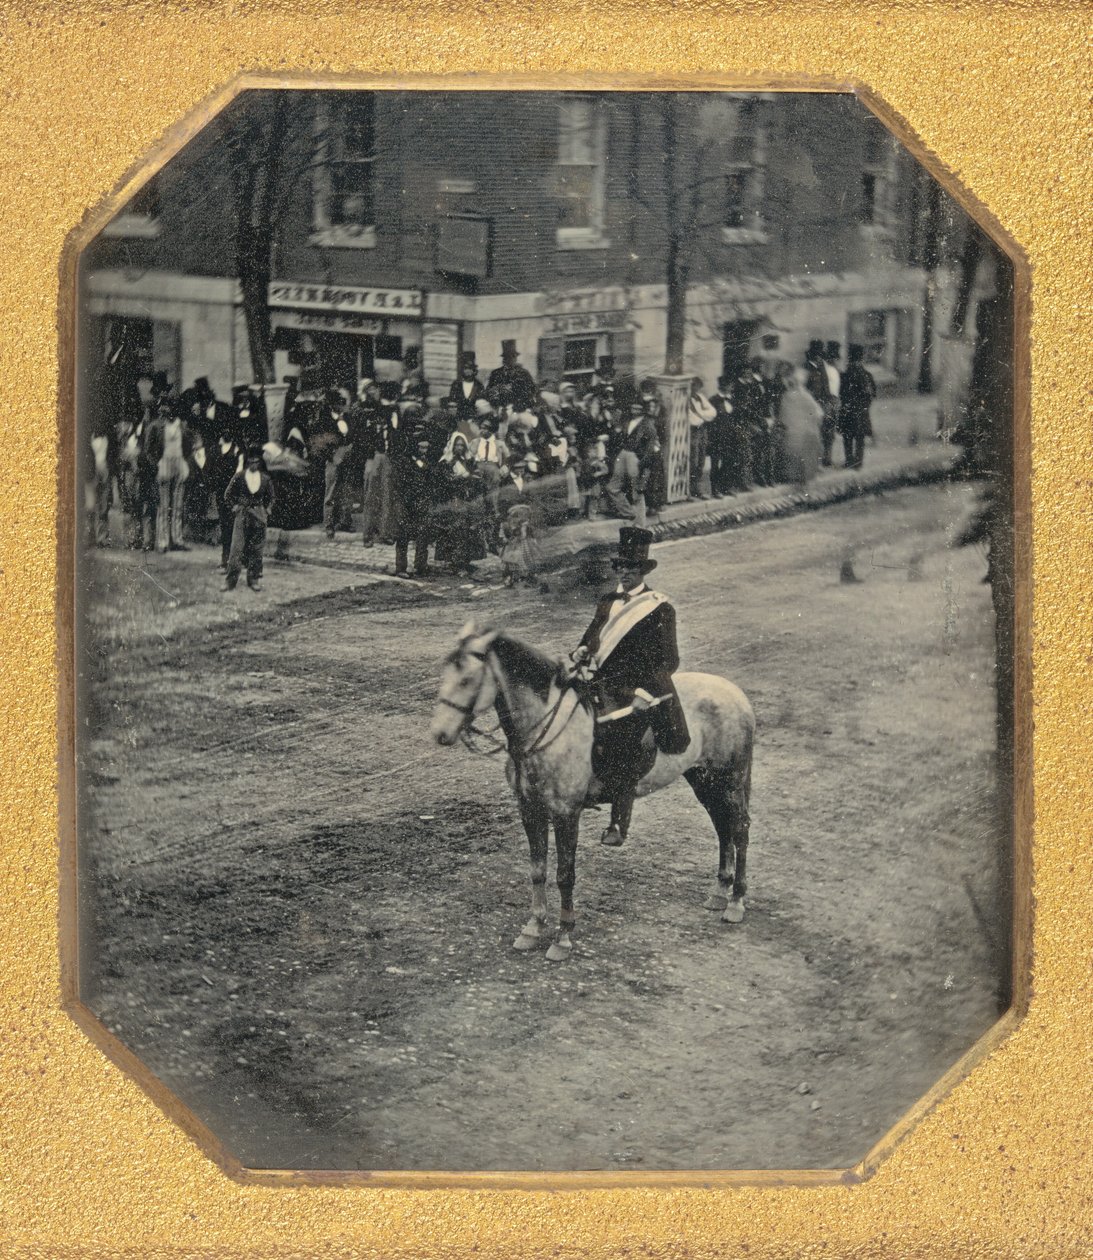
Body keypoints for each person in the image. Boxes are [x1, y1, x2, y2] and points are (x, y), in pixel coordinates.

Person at [569, 527, 690, 847]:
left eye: (631, 568)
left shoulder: (660, 607)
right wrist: (581, 651)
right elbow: (591, 638)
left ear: (642, 571)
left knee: (623, 744)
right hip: (599, 682)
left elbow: (668, 660)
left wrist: (644, 695)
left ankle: (617, 823)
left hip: (636, 690)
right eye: (620, 567)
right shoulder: (608, 601)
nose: (623, 573)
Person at [222, 445, 275, 592]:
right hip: (242, 515)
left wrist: (267, 509)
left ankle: (253, 579)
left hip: (258, 516)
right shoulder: (239, 476)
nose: (253, 464)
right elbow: (228, 495)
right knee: (236, 549)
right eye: (250, 461)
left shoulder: (265, 479)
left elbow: (271, 498)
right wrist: (234, 506)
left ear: (259, 463)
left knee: (257, 550)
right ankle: (230, 581)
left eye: (256, 462)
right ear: (247, 462)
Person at [604, 401, 659, 524]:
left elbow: (650, 449)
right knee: (612, 487)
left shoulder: (648, 425)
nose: (634, 411)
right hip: (624, 452)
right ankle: (629, 513)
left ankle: (640, 523)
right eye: (633, 408)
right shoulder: (627, 421)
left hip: (636, 456)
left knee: (637, 491)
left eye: (638, 408)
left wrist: (643, 464)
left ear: (643, 410)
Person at [390, 433, 436, 578]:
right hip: (406, 502)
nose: (424, 451)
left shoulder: (426, 461)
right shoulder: (404, 461)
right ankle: (400, 568)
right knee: (403, 535)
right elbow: (399, 483)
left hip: (421, 501)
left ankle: (421, 566)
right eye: (421, 448)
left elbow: (430, 481)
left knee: (423, 534)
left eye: (426, 448)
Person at [777, 365, 823, 487]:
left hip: (798, 426)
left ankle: (797, 475)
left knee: (798, 446)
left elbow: (815, 411)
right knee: (795, 445)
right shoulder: (792, 396)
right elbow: (817, 413)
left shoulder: (796, 396)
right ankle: (796, 475)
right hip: (796, 426)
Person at [838, 344, 877, 470]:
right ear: (861, 358)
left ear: (849, 358)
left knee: (847, 437)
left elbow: (840, 393)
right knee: (860, 437)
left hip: (848, 410)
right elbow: (872, 394)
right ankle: (858, 462)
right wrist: (865, 405)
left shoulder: (844, 375)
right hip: (861, 411)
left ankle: (849, 460)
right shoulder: (867, 375)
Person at [804, 339, 835, 467]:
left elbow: (826, 387)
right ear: (813, 355)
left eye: (821, 355)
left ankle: (826, 458)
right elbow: (805, 389)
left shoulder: (822, 367)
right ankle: (813, 460)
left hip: (823, 404)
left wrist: (828, 403)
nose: (820, 358)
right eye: (818, 355)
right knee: (813, 433)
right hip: (812, 405)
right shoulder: (806, 368)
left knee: (827, 431)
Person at [487, 340, 538, 413]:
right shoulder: (496, 373)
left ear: (516, 358)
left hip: (520, 410)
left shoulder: (524, 373)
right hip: (501, 409)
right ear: (503, 359)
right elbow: (490, 392)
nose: (510, 360)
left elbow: (533, 390)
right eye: (507, 357)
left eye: (513, 356)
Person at [687, 377, 716, 498]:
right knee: (693, 459)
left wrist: (702, 415)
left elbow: (712, 412)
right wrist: (703, 416)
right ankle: (690, 488)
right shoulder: (687, 400)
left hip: (703, 430)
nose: (696, 389)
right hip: (693, 431)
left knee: (701, 459)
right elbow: (692, 420)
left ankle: (696, 488)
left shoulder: (700, 397)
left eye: (698, 386)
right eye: (694, 386)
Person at [447, 352, 488, 426]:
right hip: (458, 420)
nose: (467, 371)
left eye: (470, 368)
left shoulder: (479, 386)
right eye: (465, 368)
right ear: (462, 370)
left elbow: (481, 405)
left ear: (474, 370)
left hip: (474, 420)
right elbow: (452, 402)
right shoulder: (456, 384)